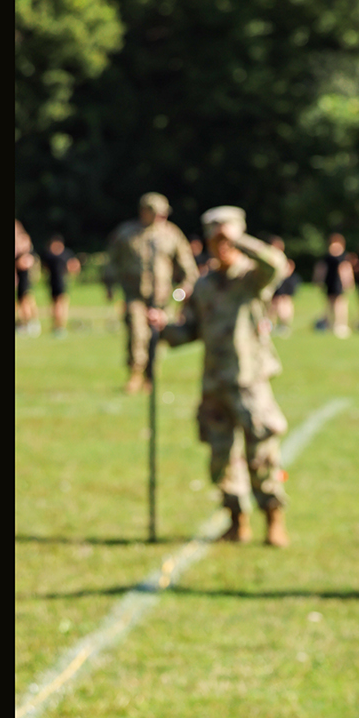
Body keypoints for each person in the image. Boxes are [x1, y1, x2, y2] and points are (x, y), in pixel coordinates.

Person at [160, 207, 297, 543]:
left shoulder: (251, 278)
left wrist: (240, 240)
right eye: (214, 239)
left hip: (249, 383)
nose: (220, 246)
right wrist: (162, 328)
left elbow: (276, 264)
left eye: (226, 239)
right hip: (214, 383)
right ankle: (236, 520)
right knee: (221, 458)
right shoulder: (203, 285)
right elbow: (189, 331)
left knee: (262, 455)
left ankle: (273, 518)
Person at [106, 193, 197, 393]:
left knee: (157, 337)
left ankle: (151, 376)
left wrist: (182, 291)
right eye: (156, 213)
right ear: (144, 212)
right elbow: (113, 261)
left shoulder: (172, 234)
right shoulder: (127, 233)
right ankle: (135, 373)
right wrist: (109, 285)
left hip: (162, 297)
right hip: (135, 295)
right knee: (137, 334)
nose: (160, 217)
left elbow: (188, 267)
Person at [40, 235, 80, 337]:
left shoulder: (49, 255)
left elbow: (44, 268)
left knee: (57, 304)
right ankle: (60, 326)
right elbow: (75, 266)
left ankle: (57, 326)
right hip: (60, 281)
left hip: (52, 281)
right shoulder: (64, 254)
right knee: (60, 304)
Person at [315, 233, 354, 337]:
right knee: (337, 304)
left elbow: (321, 269)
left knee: (335, 304)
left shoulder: (331, 256)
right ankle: (337, 325)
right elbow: (345, 270)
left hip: (334, 281)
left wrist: (319, 280)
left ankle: (336, 324)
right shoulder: (339, 257)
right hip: (334, 281)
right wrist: (348, 282)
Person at [14, 221, 39, 336]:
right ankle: (23, 323)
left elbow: (25, 260)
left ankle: (30, 323)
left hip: (23, 275)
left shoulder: (23, 240)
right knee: (22, 300)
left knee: (25, 299)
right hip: (19, 275)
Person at [267, 237, 299, 327]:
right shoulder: (270, 257)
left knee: (284, 302)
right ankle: (272, 323)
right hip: (274, 283)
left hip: (283, 282)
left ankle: (284, 324)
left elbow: (289, 269)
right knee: (273, 304)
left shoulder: (282, 258)